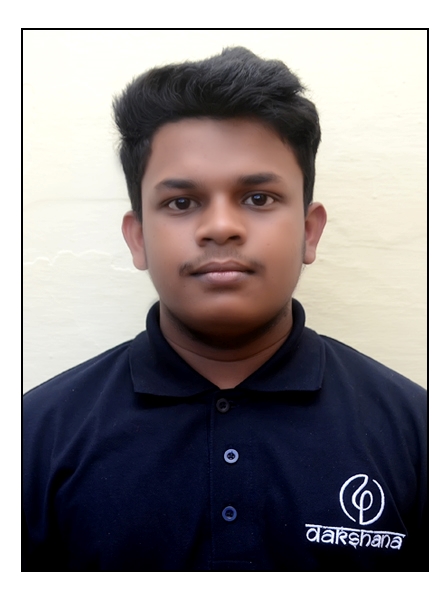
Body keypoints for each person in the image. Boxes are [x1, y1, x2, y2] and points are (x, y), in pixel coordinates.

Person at [22, 47, 427, 572]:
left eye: (258, 198)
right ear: (138, 238)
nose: (220, 227)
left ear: (309, 231)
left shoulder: (418, 430)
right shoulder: (33, 437)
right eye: (181, 202)